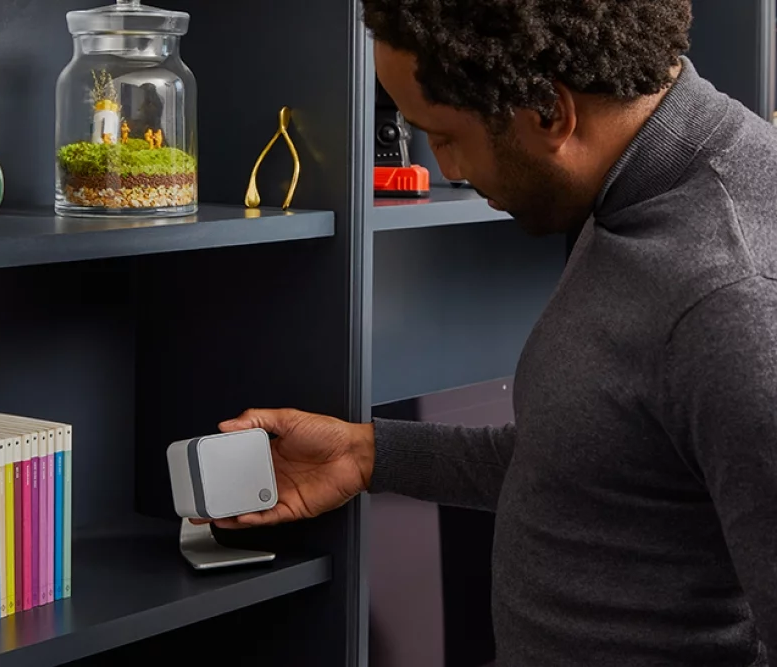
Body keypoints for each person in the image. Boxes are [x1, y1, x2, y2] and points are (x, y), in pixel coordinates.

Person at [204, 1, 777, 665]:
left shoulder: (730, 301)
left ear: (548, 114)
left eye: (444, 135)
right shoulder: (639, 182)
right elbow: (603, 457)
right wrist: (369, 454)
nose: (446, 168)